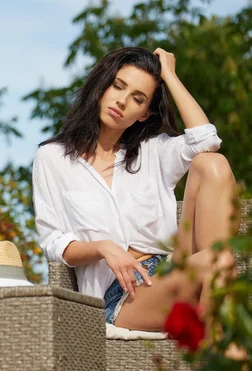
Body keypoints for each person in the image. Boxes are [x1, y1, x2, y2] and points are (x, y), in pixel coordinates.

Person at [32, 47, 240, 337]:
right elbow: (54, 242)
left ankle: (219, 343)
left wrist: (169, 76)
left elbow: (206, 140)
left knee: (212, 163)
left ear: (144, 114)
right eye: (118, 86)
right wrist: (104, 247)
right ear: (102, 85)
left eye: (138, 98)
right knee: (220, 261)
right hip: (119, 294)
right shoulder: (52, 158)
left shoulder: (151, 152)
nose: (122, 100)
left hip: (172, 270)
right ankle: (225, 349)